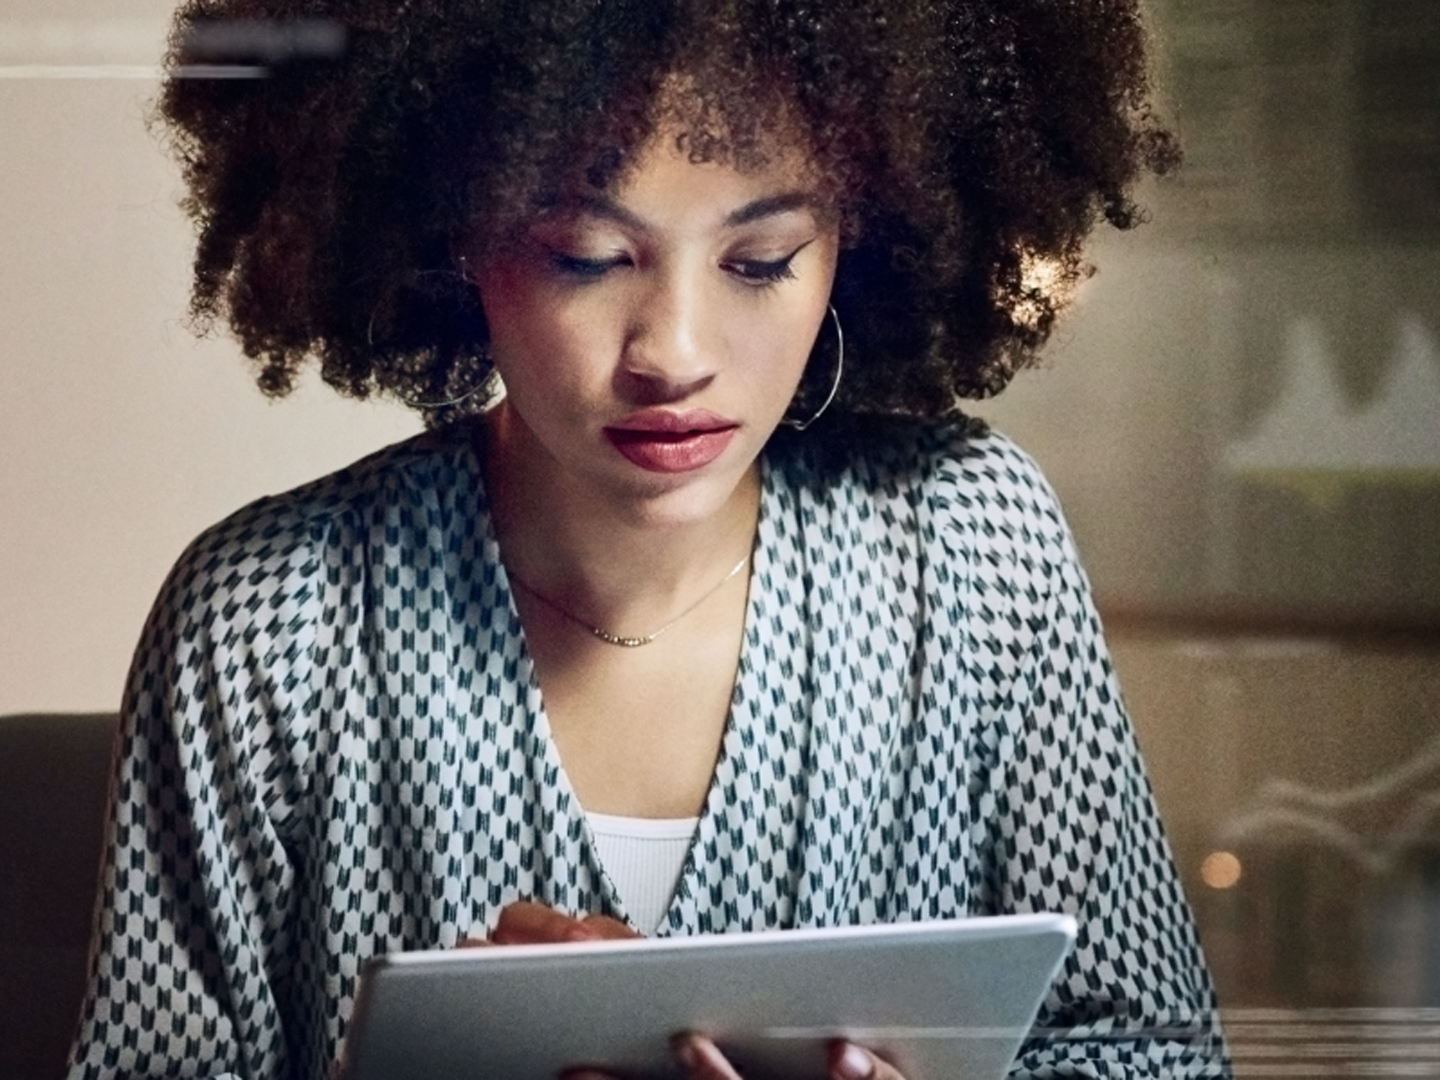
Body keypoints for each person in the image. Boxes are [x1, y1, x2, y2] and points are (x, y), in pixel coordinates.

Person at [67, 0, 1229, 1077]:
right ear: (448, 235)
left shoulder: (975, 548)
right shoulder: (270, 617)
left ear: (858, 246)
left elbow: (1154, 1049)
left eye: (760, 260)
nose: (673, 350)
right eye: (584, 255)